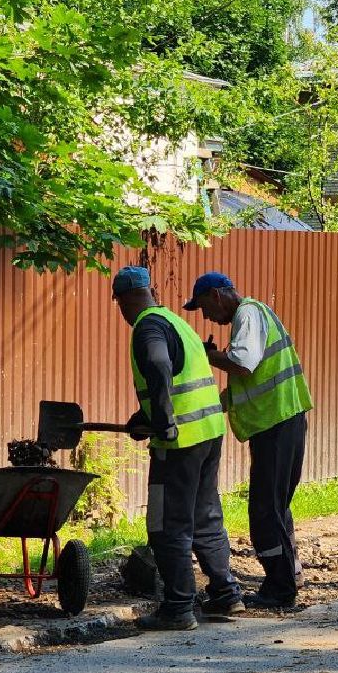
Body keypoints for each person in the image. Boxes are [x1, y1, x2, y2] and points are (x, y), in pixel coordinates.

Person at [112, 266, 244, 630]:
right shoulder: (176, 323)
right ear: (151, 290)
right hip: (209, 431)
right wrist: (147, 414)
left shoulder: (147, 326)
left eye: (120, 305)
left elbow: (157, 363)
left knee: (167, 525)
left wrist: (164, 419)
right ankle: (226, 594)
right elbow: (181, 374)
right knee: (205, 517)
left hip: (180, 440)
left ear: (122, 301)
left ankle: (178, 607)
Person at [185, 271, 313, 608]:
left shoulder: (248, 313)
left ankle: (280, 589)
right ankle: (288, 576)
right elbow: (247, 382)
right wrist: (214, 404)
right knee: (274, 507)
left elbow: (242, 364)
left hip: (276, 423)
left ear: (216, 295)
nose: (207, 317)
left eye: (203, 307)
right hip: (281, 422)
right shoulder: (253, 316)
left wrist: (206, 356)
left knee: (264, 512)